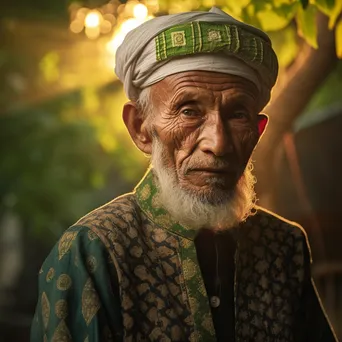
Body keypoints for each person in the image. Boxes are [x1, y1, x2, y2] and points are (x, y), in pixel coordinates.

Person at [30, 7, 337, 342]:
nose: (217, 144)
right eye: (189, 111)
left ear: (258, 131)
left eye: (237, 114)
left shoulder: (285, 246)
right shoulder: (93, 251)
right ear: (140, 128)